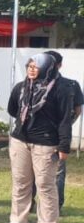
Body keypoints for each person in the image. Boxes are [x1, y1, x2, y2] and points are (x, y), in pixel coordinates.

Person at [5, 53, 74, 223]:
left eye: (36, 66)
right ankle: (18, 220)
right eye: (30, 66)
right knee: (20, 181)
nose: (32, 69)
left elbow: (65, 120)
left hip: (46, 143)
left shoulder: (61, 89)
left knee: (45, 183)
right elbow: (12, 109)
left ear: (47, 68)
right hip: (20, 140)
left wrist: (64, 146)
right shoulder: (21, 87)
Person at [42, 50, 83, 211]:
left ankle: (54, 206)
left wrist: (64, 126)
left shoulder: (71, 85)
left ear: (59, 65)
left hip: (57, 136)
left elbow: (77, 110)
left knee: (56, 171)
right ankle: (34, 204)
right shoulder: (33, 83)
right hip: (38, 135)